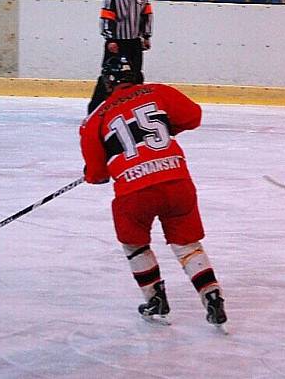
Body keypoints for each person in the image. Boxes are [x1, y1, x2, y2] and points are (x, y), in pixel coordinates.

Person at [79, 56, 227, 328]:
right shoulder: (158, 92)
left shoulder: (94, 119)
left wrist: (92, 175)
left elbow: (98, 173)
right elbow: (193, 116)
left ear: (108, 82)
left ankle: (155, 297)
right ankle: (211, 294)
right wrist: (169, 129)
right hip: (176, 181)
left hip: (134, 193)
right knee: (187, 244)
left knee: (134, 244)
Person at [90, 0, 153, 113]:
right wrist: (110, 39)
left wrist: (146, 36)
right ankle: (95, 110)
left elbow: (146, 14)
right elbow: (106, 18)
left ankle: (135, 109)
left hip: (134, 42)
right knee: (109, 76)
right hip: (116, 42)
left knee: (136, 76)